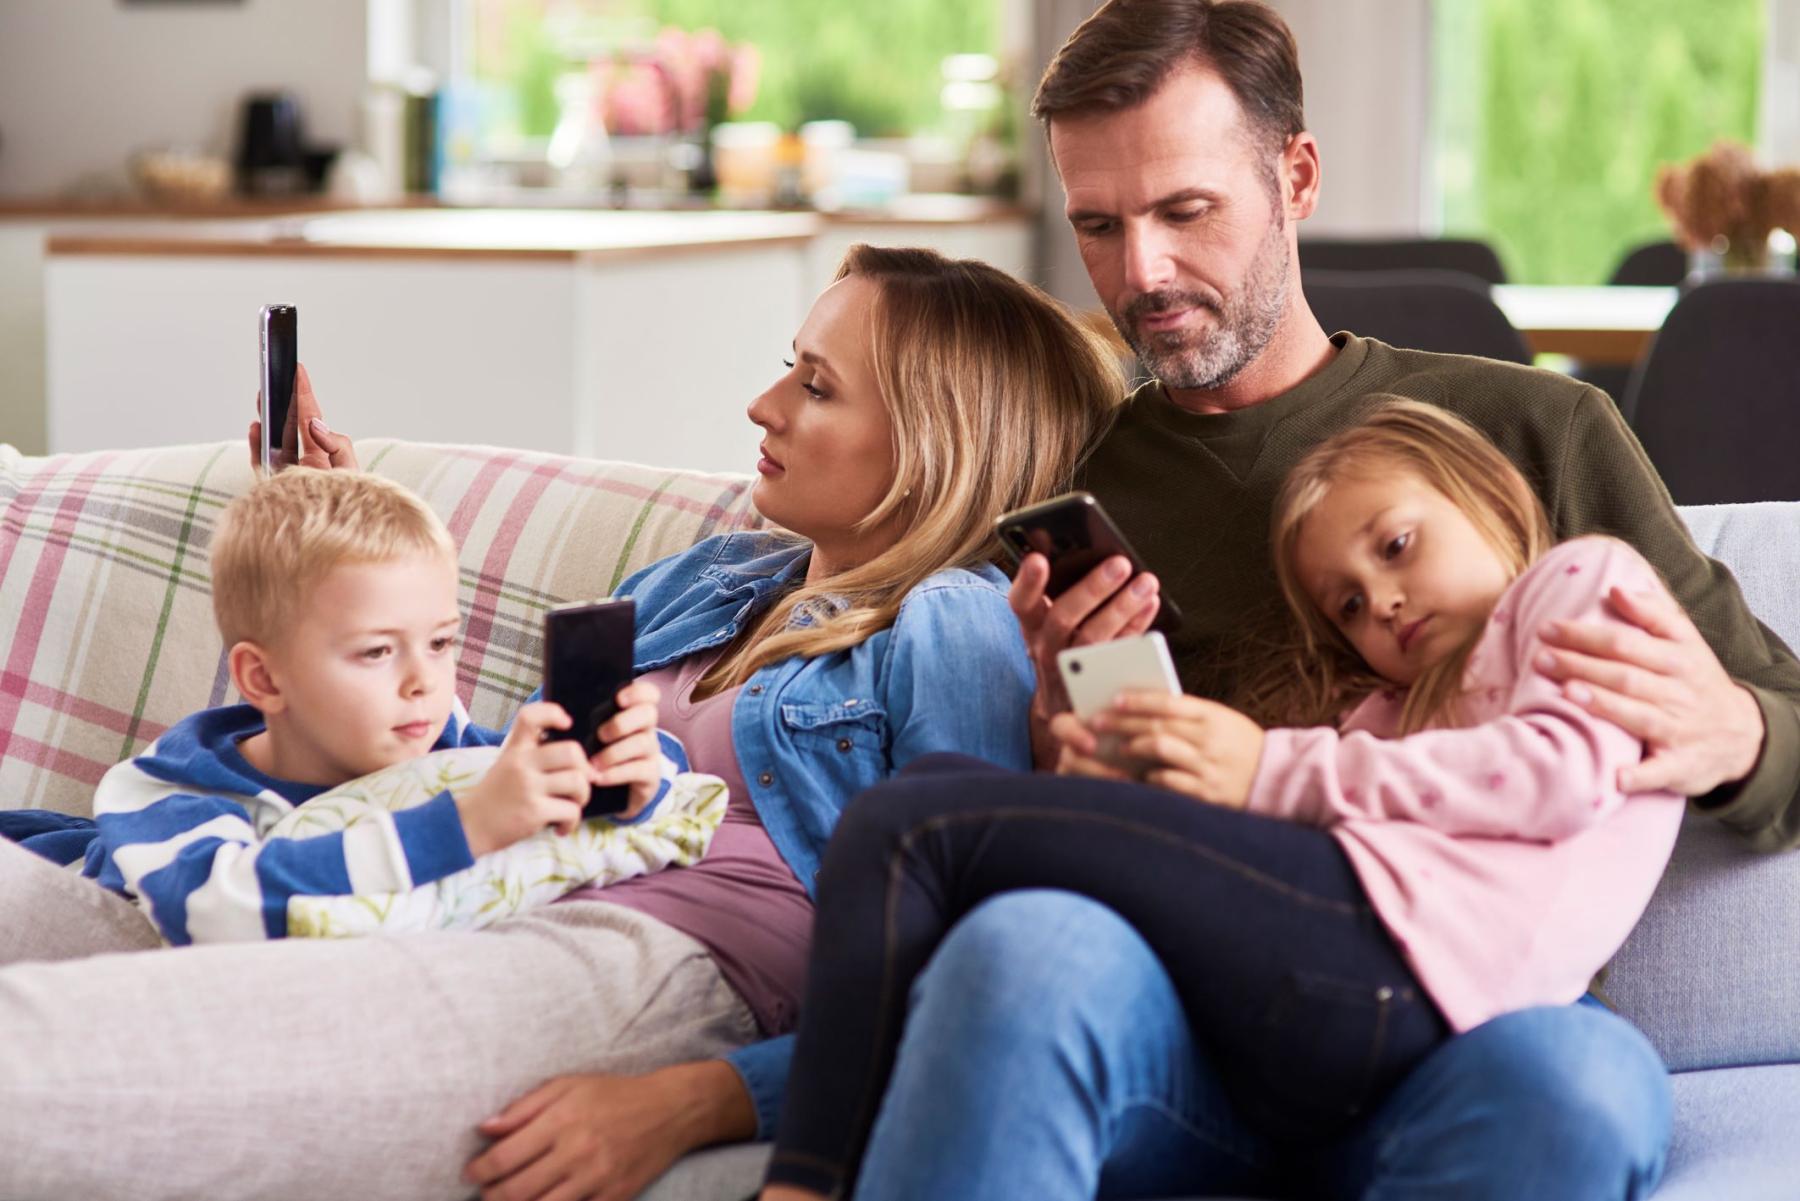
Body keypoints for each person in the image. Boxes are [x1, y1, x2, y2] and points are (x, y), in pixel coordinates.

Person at [826, 3, 1800, 1200]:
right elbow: (1103, 824)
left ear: (1296, 176)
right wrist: (1060, 720)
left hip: (1479, 1022)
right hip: (1193, 1021)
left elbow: (1780, 713)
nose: (1143, 273)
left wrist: (1739, 730)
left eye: (1186, 212)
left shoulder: (1531, 431)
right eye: (1097, 225)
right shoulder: (1078, 490)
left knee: (1576, 1087)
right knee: (1024, 951)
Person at [0, 244, 1123, 1201]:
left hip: (665, 954)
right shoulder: (724, 573)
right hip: (483, 877)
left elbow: (955, 954)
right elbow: (469, 758)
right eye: (789, 368)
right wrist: (331, 558)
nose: (764, 405)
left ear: (935, 444)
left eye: (817, 387)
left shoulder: (954, 622)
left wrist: (703, 1100)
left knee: (63, 1060)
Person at [759, 399, 1687, 1198]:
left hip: (1413, 977)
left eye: (1399, 545)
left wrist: (1265, 768)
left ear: (1486, 495)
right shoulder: (1379, 716)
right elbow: (1257, 871)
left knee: (906, 821)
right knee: (929, 818)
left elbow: (1557, 773)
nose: (1386, 603)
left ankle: (801, 1181)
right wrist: (1132, 781)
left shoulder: (1581, 580)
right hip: (1323, 1018)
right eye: (1350, 606)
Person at [2, 467, 674, 951]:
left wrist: (630, 772)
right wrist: (467, 823)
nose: (423, 682)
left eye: (440, 642)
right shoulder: (168, 790)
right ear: (263, 677)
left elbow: (589, 790)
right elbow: (226, 912)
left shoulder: (445, 743)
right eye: (378, 651)